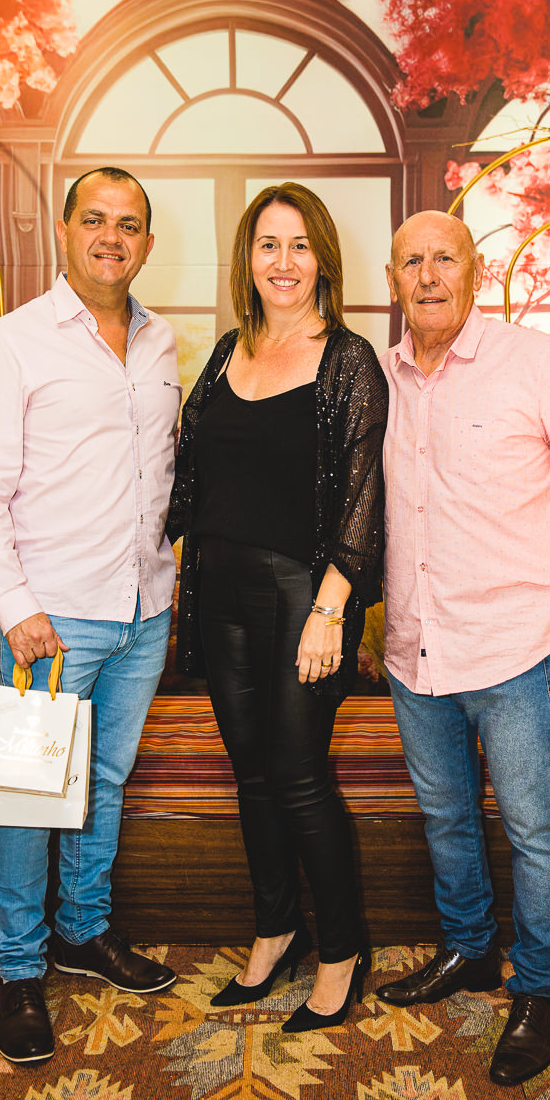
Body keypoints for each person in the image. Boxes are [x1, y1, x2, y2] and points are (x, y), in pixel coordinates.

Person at [375, 210, 550, 1085]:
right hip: (415, 646)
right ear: (393, 279)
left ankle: (539, 986)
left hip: (514, 644)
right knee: (446, 817)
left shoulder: (532, 361)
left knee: (533, 827)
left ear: (475, 273)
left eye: (444, 258)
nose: (427, 275)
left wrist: (545, 557)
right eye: (411, 261)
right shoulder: (381, 376)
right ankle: (468, 949)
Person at [0, 167, 180, 1065]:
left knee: (104, 782)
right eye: (94, 219)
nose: (110, 237)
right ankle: (19, 968)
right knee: (27, 793)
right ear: (64, 229)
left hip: (143, 609)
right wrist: (15, 608)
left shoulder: (162, 342)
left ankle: (83, 932)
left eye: (127, 224)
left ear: (147, 243)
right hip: (51, 620)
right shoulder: (12, 343)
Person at [168, 182, 387, 1032]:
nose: (283, 261)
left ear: (322, 258)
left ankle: (341, 951)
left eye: (299, 245)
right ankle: (275, 929)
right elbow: (193, 470)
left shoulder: (348, 360)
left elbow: (363, 497)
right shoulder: (229, 350)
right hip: (217, 588)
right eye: (268, 244)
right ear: (247, 259)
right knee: (251, 774)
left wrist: (329, 612)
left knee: (297, 776)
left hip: (305, 594)